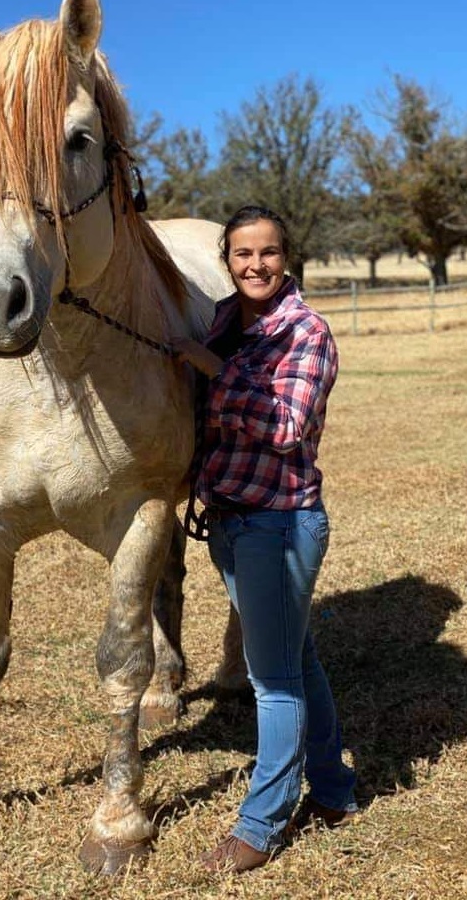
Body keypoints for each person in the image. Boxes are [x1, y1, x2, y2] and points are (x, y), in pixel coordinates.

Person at [172, 205, 358, 875]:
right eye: (243, 254)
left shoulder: (304, 331)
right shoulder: (224, 318)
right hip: (230, 519)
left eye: (268, 253)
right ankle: (334, 791)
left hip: (277, 523)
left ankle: (259, 826)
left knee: (273, 682)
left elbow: (284, 425)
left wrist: (211, 368)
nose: (255, 265)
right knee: (296, 659)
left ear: (287, 256)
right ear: (227, 258)